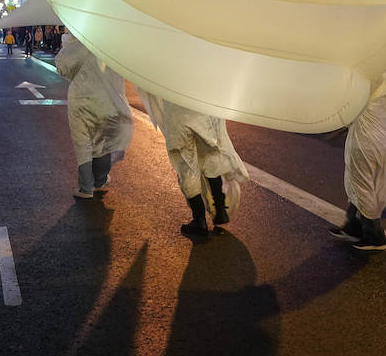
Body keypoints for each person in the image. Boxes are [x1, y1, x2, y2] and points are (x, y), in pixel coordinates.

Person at [143, 93, 249, 237]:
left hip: (177, 111)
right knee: (210, 157)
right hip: (203, 107)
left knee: (186, 164)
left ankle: (199, 220)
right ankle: (220, 209)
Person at [331, 62, 386, 251]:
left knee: (361, 183)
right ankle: (354, 225)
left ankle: (374, 235)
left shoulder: (371, 69)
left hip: (366, 135)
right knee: (366, 183)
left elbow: (352, 99)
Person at [56, 33, 133, 199]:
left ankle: (86, 188)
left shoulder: (74, 43)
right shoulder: (112, 44)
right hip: (108, 101)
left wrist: (66, 43)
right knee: (104, 141)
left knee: (82, 143)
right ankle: (99, 179)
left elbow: (62, 68)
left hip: (81, 101)